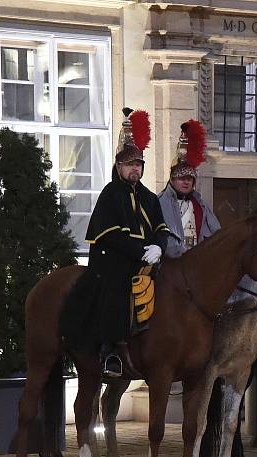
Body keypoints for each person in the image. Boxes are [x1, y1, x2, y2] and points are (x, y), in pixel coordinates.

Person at [60, 107, 169, 378]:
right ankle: (110, 351)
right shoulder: (110, 194)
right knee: (117, 288)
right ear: (119, 166)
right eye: (130, 163)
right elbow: (109, 235)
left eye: (139, 164)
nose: (136, 168)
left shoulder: (150, 198)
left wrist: (158, 247)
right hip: (113, 259)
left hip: (147, 258)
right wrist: (141, 250)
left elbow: (160, 229)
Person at [159, 120, 220, 258]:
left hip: (198, 263)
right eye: (181, 178)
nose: (186, 182)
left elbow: (215, 234)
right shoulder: (160, 203)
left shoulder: (201, 205)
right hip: (171, 264)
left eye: (189, 178)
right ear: (172, 179)